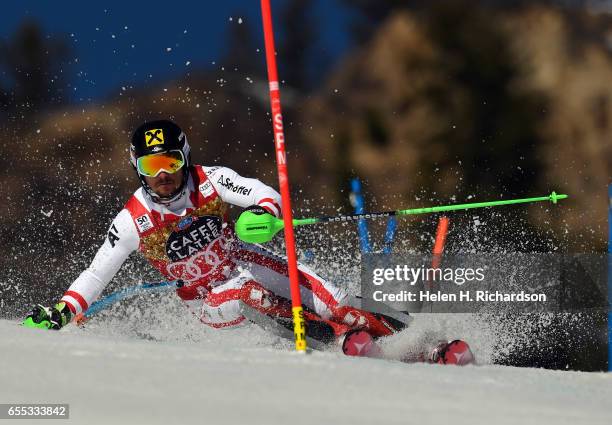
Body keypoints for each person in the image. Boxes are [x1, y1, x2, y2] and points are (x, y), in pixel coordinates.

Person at [22, 119, 472, 364]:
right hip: (207, 298)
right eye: (149, 166)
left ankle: (421, 344)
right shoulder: (133, 220)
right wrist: (63, 311)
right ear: (136, 169)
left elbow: (264, 193)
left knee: (329, 295)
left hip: (242, 258)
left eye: (169, 161)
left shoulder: (210, 180)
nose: (162, 175)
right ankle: (339, 342)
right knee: (247, 295)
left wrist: (264, 213)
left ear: (185, 156)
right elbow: (97, 270)